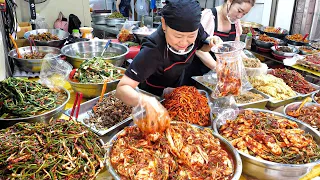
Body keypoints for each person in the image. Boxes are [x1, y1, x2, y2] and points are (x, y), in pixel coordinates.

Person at [116, 0, 219, 106]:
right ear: (164, 24)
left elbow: (202, 47)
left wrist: (211, 43)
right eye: (178, 36)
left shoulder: (195, 29)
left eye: (191, 36)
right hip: (153, 96)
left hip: (177, 92)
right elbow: (122, 89)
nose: (184, 43)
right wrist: (146, 102)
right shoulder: (153, 49)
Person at [183, 0, 255, 85]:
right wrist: (218, 68)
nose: (240, 16)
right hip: (197, 74)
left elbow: (236, 49)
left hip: (219, 77)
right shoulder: (209, 16)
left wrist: (250, 63)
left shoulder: (235, 22)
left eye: (244, 14)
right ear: (230, 1)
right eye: (239, 11)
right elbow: (198, 49)